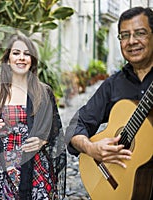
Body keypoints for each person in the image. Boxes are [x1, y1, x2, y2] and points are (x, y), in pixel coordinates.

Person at [66, 5, 153, 195]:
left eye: (140, 33)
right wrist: (91, 148)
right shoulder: (113, 84)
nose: (131, 41)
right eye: (124, 35)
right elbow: (76, 125)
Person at [0, 35, 66, 200]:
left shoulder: (43, 92)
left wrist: (42, 141)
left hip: (37, 168)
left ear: (32, 60)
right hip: (2, 170)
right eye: (16, 53)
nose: (22, 58)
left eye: (27, 53)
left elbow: (56, 132)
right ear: (8, 59)